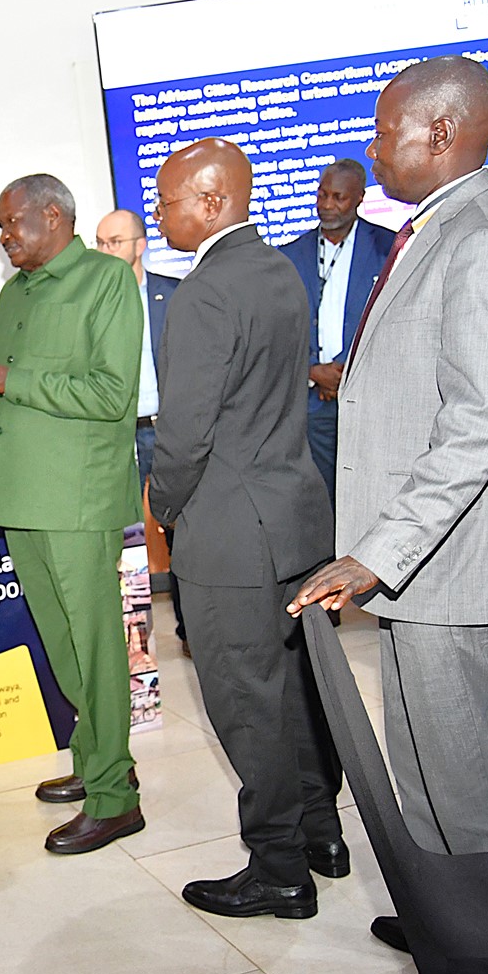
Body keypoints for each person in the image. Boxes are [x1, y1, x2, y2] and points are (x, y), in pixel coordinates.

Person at [289, 56, 488, 964]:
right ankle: (454, 925)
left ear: (439, 132)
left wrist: (376, 550)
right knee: (426, 773)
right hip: (422, 567)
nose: (373, 148)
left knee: (474, 787)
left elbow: (477, 426)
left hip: (452, 563)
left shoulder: (479, 236)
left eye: (383, 130)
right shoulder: (438, 228)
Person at [0, 174, 144, 855]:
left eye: (12, 222)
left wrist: (5, 378)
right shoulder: (14, 291)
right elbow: (8, 387)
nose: (4, 235)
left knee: (97, 646)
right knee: (63, 645)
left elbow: (111, 393)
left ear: (53, 216)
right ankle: (97, 755)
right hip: (20, 493)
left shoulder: (106, 283)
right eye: (1, 225)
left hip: (76, 498)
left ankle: (116, 799)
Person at [147, 139, 340, 920]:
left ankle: (280, 868)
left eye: (169, 202)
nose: (162, 216)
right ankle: (323, 835)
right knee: (296, 691)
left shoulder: (204, 293)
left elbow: (186, 433)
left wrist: (162, 502)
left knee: (245, 702)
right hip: (295, 517)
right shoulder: (280, 273)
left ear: (214, 202)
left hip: (228, 534)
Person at [277, 159, 399, 505]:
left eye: (339, 198)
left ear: (359, 198)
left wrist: (346, 375)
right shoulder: (289, 256)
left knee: (372, 495)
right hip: (311, 402)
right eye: (322, 194)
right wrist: (313, 371)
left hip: (372, 399)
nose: (328, 205)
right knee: (319, 499)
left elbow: (395, 324)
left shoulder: (388, 249)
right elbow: (278, 330)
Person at [95, 208, 188, 654]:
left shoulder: (174, 296)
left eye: (115, 241)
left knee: (181, 530)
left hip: (166, 429)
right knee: (124, 534)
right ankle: (133, 643)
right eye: (100, 242)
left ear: (140, 244)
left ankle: (191, 629)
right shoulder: (92, 303)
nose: (106, 250)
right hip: (116, 433)